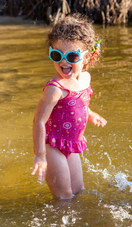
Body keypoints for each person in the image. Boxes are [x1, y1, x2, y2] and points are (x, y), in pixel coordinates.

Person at [32, 13, 107, 199]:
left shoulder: (86, 78)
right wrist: (40, 155)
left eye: (72, 56)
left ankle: (77, 225)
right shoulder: (55, 88)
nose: (63, 62)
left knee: (79, 191)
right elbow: (38, 121)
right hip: (53, 146)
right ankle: (56, 226)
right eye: (57, 55)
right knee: (64, 196)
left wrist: (90, 114)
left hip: (71, 144)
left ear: (87, 57)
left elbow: (80, 103)